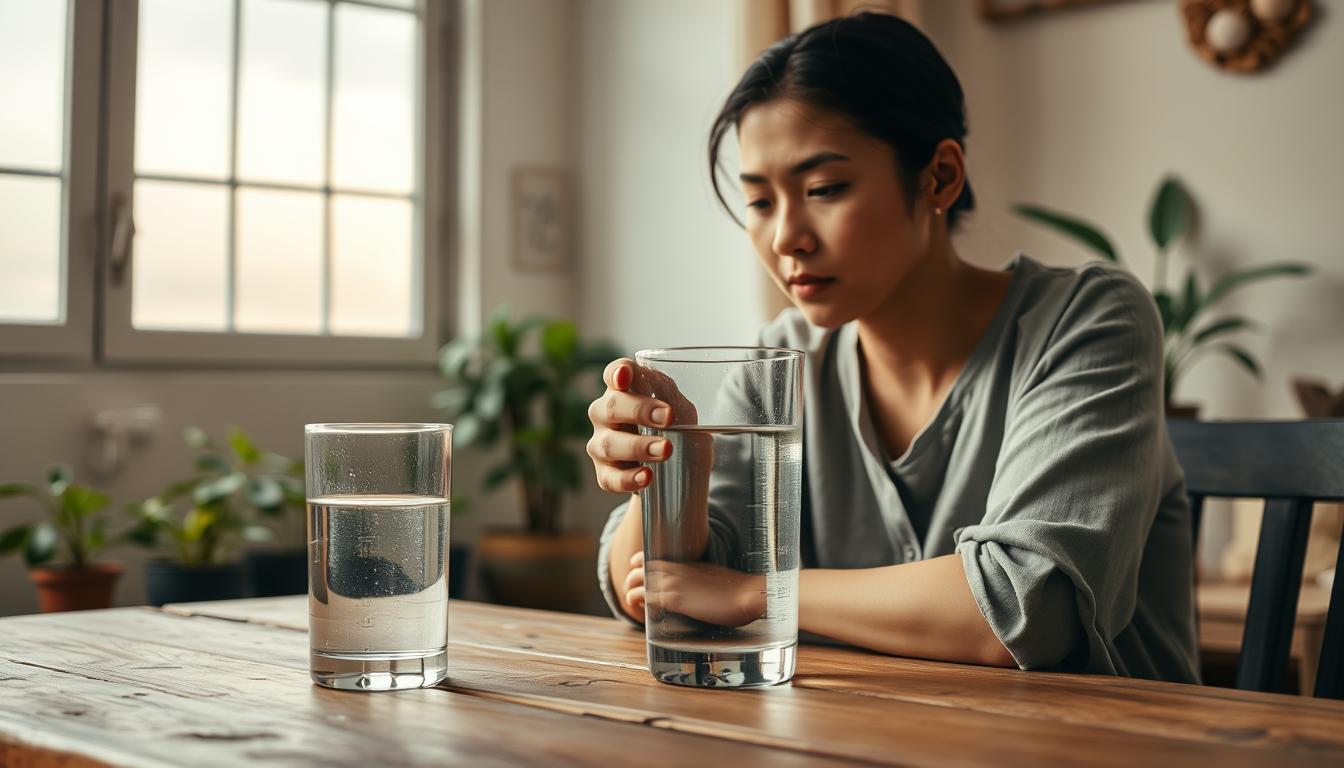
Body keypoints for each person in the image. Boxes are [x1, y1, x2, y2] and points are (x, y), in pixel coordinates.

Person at [586, 12, 1198, 681]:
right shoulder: (779, 362)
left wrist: (753, 594)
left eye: (825, 189)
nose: (787, 237)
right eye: (760, 202)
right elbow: (651, 592)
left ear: (939, 177)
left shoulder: (1087, 319)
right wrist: (674, 476)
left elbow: (1031, 606)